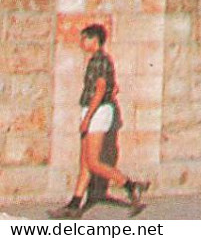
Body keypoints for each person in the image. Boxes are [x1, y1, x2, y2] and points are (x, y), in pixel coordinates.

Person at [56, 25, 147, 218]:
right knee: (85, 164)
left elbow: (100, 89)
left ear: (94, 40)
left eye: (84, 39)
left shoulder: (99, 61)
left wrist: (88, 118)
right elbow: (110, 87)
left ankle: (131, 186)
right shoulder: (100, 61)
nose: (81, 43)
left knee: (93, 162)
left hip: (96, 112)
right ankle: (74, 205)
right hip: (93, 110)